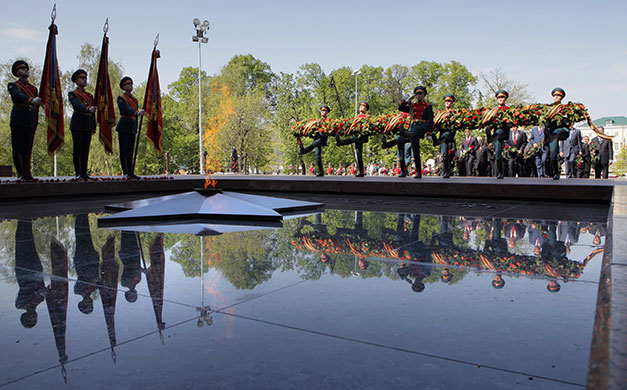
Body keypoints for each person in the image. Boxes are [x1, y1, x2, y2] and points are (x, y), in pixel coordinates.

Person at [8, 61, 41, 181]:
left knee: (27, 148)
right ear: (17, 73)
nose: (26, 70)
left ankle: (28, 173)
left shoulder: (34, 88)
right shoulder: (13, 85)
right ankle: (21, 173)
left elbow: (37, 106)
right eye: (22, 69)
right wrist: (31, 100)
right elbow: (17, 96)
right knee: (18, 148)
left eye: (26, 69)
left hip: (29, 121)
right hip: (18, 120)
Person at [398, 86, 434, 178]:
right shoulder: (412, 105)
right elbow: (401, 108)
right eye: (417, 94)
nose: (419, 96)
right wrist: (407, 100)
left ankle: (407, 133)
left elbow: (430, 120)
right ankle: (417, 171)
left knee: (414, 131)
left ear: (424, 95)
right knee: (415, 149)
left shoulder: (428, 106)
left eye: (420, 94)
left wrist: (429, 133)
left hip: (423, 126)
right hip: (414, 127)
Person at [69, 69, 97, 180]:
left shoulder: (90, 96)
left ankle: (84, 173)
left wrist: (93, 126)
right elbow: (76, 105)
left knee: (85, 149)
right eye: (82, 78)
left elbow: (93, 112)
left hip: (87, 124)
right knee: (78, 149)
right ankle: (78, 173)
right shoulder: (73, 94)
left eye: (85, 78)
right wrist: (87, 108)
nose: (84, 80)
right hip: (78, 123)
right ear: (76, 81)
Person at [116, 77, 145, 179]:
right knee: (123, 150)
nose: (130, 86)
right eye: (128, 84)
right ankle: (125, 172)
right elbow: (126, 109)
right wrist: (136, 112)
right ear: (123, 87)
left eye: (131, 84)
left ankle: (131, 171)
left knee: (130, 151)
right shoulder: (121, 98)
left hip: (131, 126)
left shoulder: (135, 100)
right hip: (124, 125)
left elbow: (135, 116)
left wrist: (135, 128)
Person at [335, 101, 370, 177]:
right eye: (360, 106)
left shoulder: (367, 116)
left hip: (362, 136)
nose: (361, 107)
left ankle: (341, 142)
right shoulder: (356, 117)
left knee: (352, 139)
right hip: (357, 136)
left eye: (363, 106)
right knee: (359, 154)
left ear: (366, 109)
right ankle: (361, 172)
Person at [543, 88, 571, 180]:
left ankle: (556, 172)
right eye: (555, 96)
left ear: (562, 98)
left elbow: (568, 122)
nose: (556, 97)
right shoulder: (548, 109)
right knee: (553, 154)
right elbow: (545, 123)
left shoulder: (564, 109)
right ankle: (556, 172)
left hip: (561, 130)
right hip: (552, 133)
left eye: (558, 96)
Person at [484, 90, 511, 179]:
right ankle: (500, 172)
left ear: (505, 99)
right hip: (495, 136)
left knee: (498, 132)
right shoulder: (493, 111)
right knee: (498, 155)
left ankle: (501, 172)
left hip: (503, 133)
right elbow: (488, 126)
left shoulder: (508, 110)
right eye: (499, 97)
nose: (500, 99)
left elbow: (512, 123)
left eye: (502, 97)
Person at [299, 105, 330, 177]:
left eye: (324, 111)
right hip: (317, 139)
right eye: (322, 111)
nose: (323, 112)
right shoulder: (317, 121)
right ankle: (321, 171)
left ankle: (304, 150)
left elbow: (328, 131)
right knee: (317, 156)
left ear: (327, 112)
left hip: (322, 139)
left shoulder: (328, 121)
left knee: (315, 143)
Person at [435, 94, 457, 178]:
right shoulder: (441, 114)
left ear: (452, 102)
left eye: (449, 101)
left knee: (448, 155)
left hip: (450, 136)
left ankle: (448, 171)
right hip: (442, 137)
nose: (447, 103)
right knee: (444, 155)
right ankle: (445, 171)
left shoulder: (454, 113)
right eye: (446, 101)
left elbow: (456, 126)